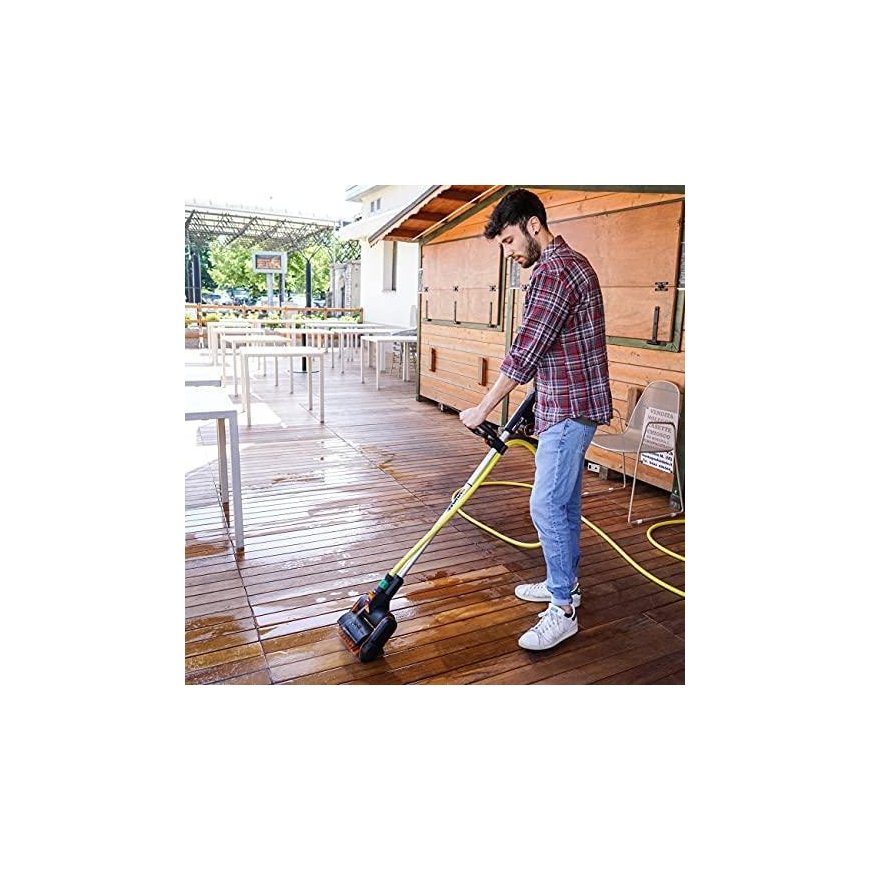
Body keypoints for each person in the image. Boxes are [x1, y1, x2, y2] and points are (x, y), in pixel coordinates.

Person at [459, 189, 612, 651]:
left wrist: (482, 409)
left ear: (532, 224)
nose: (508, 252)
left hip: (568, 409)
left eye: (509, 241)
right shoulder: (570, 264)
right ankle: (563, 584)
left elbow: (526, 350)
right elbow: (555, 351)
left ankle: (562, 609)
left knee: (545, 506)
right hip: (567, 405)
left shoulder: (554, 272)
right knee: (563, 505)